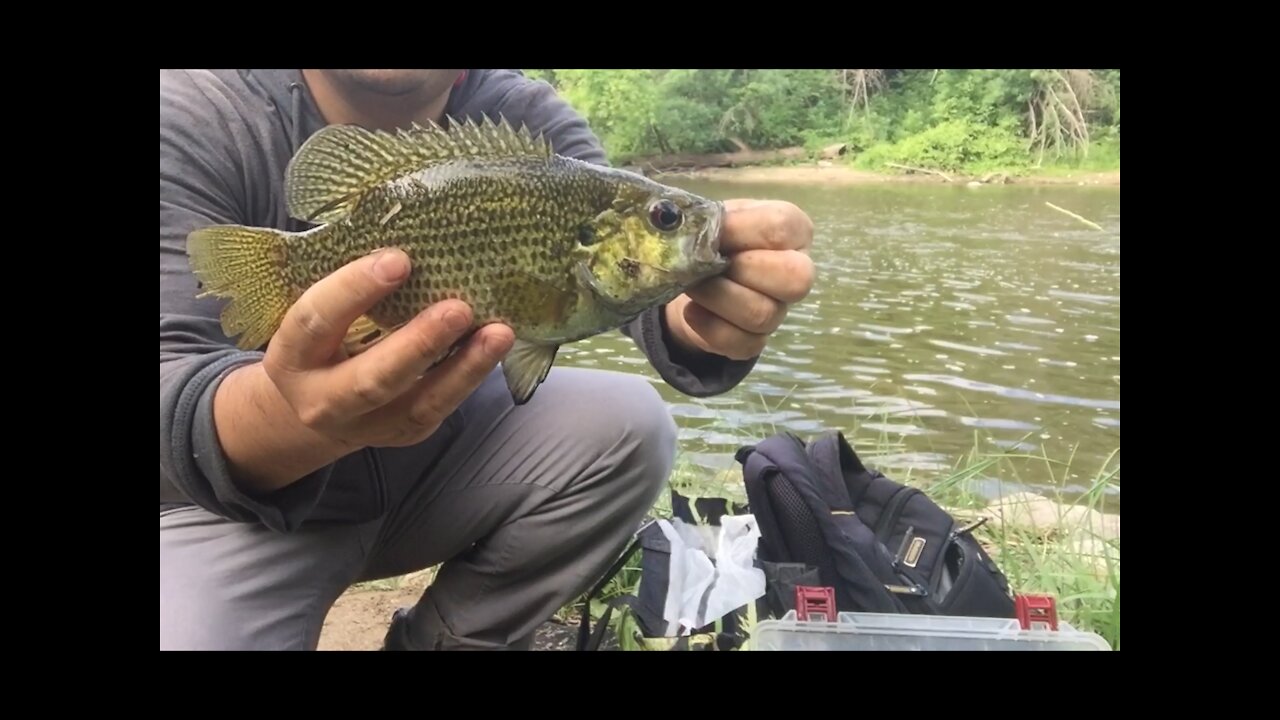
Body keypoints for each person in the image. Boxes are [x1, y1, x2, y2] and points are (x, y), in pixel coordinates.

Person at [159, 69, 815, 650]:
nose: (674, 225)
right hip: (220, 509)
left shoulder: (530, 120)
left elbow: (646, 312)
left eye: (664, 217)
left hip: (428, 476)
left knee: (634, 423)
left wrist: (701, 315)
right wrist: (289, 419)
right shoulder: (191, 110)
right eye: (667, 218)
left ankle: (444, 640)